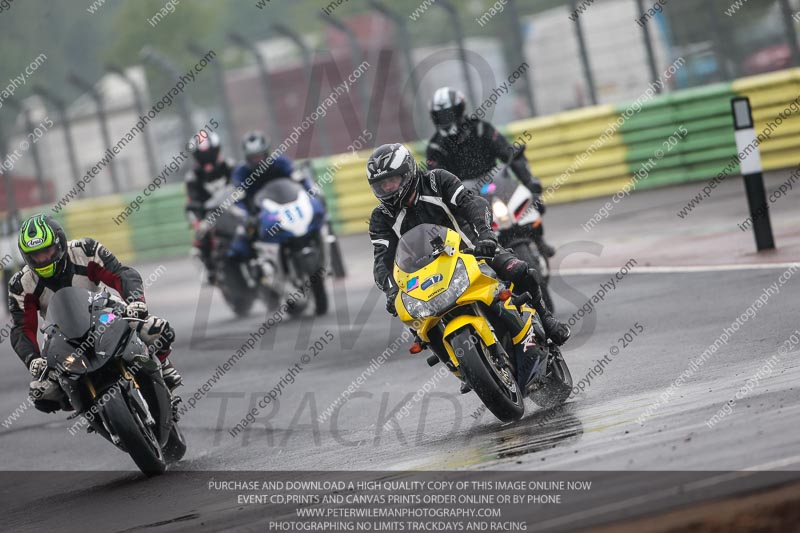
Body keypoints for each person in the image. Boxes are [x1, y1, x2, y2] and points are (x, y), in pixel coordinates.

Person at [367, 144, 569, 391]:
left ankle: (547, 320)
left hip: (472, 250)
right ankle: (464, 369)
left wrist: (486, 235)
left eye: (392, 181)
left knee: (519, 270)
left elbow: (472, 203)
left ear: (408, 172)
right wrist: (391, 290)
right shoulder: (380, 218)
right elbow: (382, 260)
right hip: (424, 275)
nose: (388, 189)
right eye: (381, 185)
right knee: (415, 322)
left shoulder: (437, 181)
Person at [7, 214, 178, 413]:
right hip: (60, 334)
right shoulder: (20, 284)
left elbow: (121, 274)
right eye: (36, 255)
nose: (43, 259)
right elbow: (22, 328)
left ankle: (164, 367)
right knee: (42, 392)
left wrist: (135, 302)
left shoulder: (85, 250)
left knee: (154, 329)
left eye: (47, 251)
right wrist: (32, 359)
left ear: (60, 243)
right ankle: (84, 405)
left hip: (105, 314)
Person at [425, 86, 555, 258]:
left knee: (531, 194)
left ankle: (538, 239)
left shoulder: (480, 128)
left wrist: (529, 180)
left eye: (449, 114)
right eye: (440, 116)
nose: (445, 120)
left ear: (459, 111)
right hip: (464, 195)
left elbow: (508, 152)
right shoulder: (435, 146)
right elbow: (434, 179)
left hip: (496, 182)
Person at [227, 131, 312, 260]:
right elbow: (237, 199)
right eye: (253, 157)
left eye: (260, 156)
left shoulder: (282, 163)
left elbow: (300, 179)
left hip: (288, 208)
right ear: (247, 157)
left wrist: (311, 192)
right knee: (240, 244)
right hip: (259, 215)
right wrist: (245, 216)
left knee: (317, 218)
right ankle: (257, 266)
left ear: (267, 153)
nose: (258, 161)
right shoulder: (241, 172)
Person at [185, 131, 234, 283]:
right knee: (201, 238)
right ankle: (209, 269)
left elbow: (244, 184)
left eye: (210, 154)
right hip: (210, 215)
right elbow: (192, 203)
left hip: (235, 208)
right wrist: (198, 222)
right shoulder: (193, 177)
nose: (207, 160)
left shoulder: (230, 166)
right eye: (202, 156)